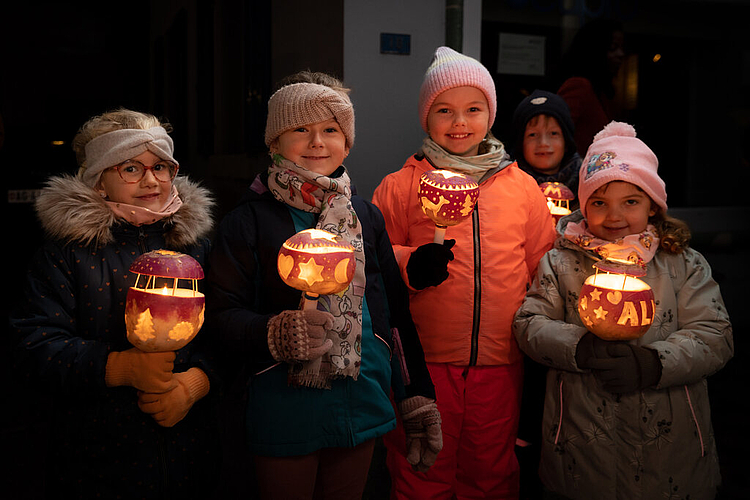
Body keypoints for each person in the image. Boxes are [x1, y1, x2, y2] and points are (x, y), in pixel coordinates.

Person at [205, 71, 439, 500]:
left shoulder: (365, 218)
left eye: (330, 130)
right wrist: (271, 332)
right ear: (274, 143)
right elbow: (219, 315)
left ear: (347, 142)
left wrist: (416, 393)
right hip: (283, 404)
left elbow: (394, 313)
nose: (317, 142)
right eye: (301, 130)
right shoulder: (249, 221)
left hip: (362, 391)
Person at [372, 46, 557, 499]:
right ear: (426, 118)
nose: (459, 123)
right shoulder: (401, 186)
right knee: (421, 471)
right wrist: (410, 263)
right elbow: (372, 263)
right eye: (444, 110)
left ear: (489, 116)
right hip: (424, 362)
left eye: (473, 109)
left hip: (500, 363)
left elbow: (544, 268)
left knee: (490, 475)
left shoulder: (522, 188)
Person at [513, 121, 733, 499]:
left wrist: (654, 363)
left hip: (669, 458)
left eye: (630, 201)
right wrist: (579, 346)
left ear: (652, 205)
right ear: (584, 207)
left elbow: (715, 335)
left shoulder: (682, 263)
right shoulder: (561, 263)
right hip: (580, 452)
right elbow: (529, 324)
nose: (614, 217)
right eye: (599, 202)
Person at [9, 108, 221, 498]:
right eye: (130, 168)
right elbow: (32, 345)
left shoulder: (196, 248)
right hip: (98, 457)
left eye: (161, 166)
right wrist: (119, 367)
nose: (151, 180)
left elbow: (224, 331)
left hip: (189, 453)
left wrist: (194, 385)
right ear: (99, 181)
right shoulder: (67, 255)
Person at [552, 19, 625, 155]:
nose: (621, 54)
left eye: (621, 47)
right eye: (613, 48)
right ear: (595, 50)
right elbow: (555, 136)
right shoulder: (579, 86)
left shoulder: (601, 92)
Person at [511, 89, 582, 208]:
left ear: (566, 141)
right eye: (532, 135)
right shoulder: (507, 184)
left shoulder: (586, 183)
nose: (543, 143)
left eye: (553, 133)